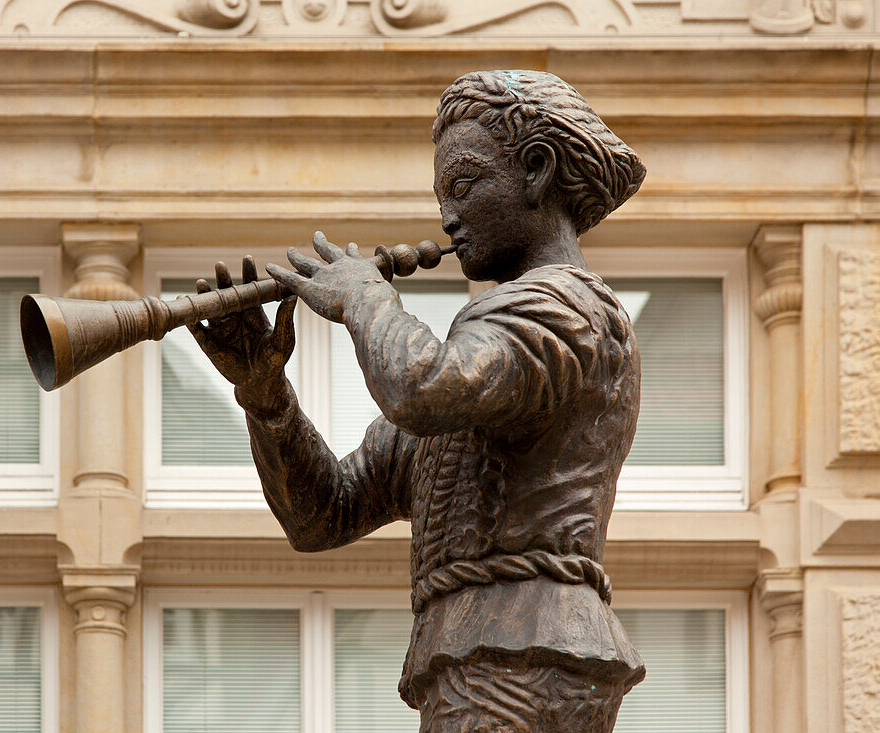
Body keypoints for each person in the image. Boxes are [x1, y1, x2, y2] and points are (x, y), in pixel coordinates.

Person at [188, 69, 647, 733]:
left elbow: (421, 387)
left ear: (538, 170)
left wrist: (364, 298)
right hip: (484, 654)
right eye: (442, 196)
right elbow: (322, 514)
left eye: (464, 184)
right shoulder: (478, 378)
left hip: (523, 651)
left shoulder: (561, 309)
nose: (447, 217)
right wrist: (266, 395)